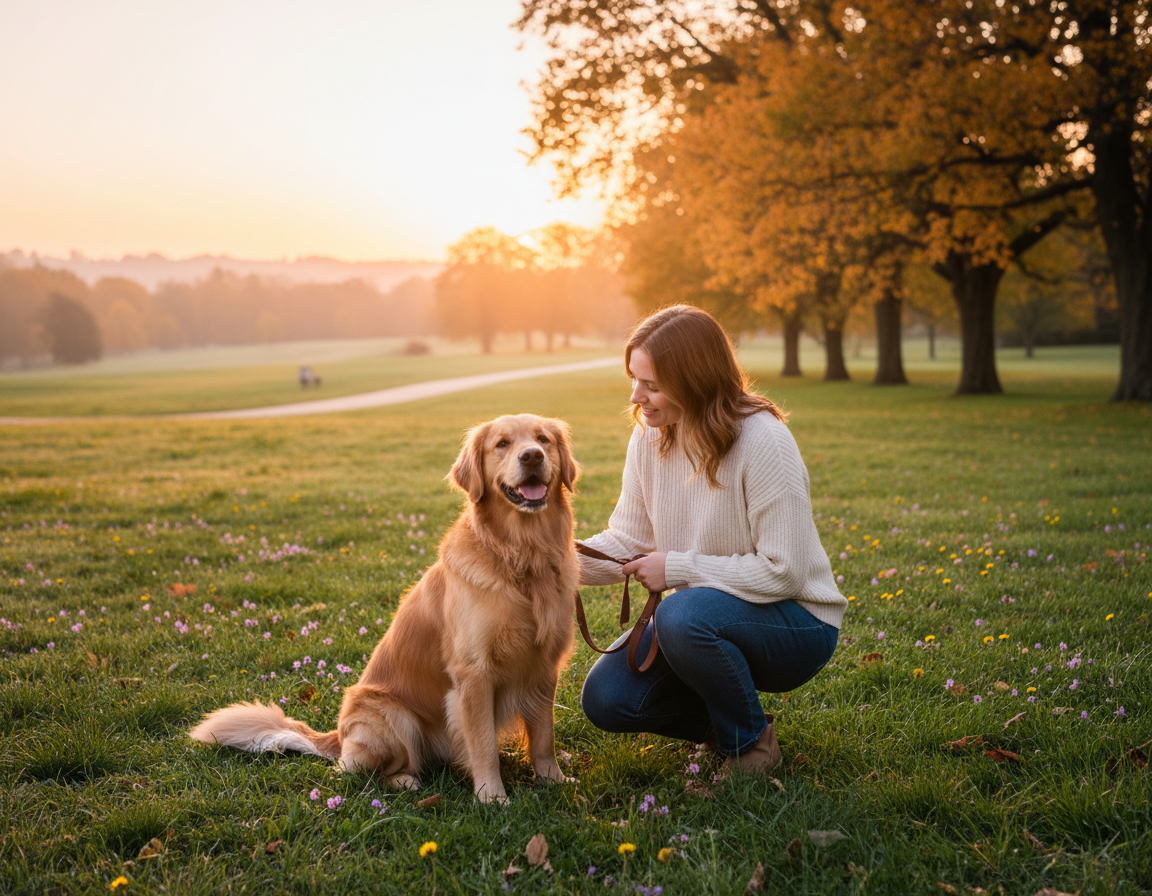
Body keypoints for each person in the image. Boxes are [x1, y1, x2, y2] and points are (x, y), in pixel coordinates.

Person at [577, 305, 846, 773]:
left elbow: (784, 572)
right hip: (701, 618)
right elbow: (627, 539)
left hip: (797, 624)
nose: (637, 396)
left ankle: (750, 748)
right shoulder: (648, 436)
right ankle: (729, 726)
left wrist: (676, 568)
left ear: (694, 381)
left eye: (652, 384)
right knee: (608, 698)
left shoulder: (764, 441)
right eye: (634, 380)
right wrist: (546, 562)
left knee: (681, 613)